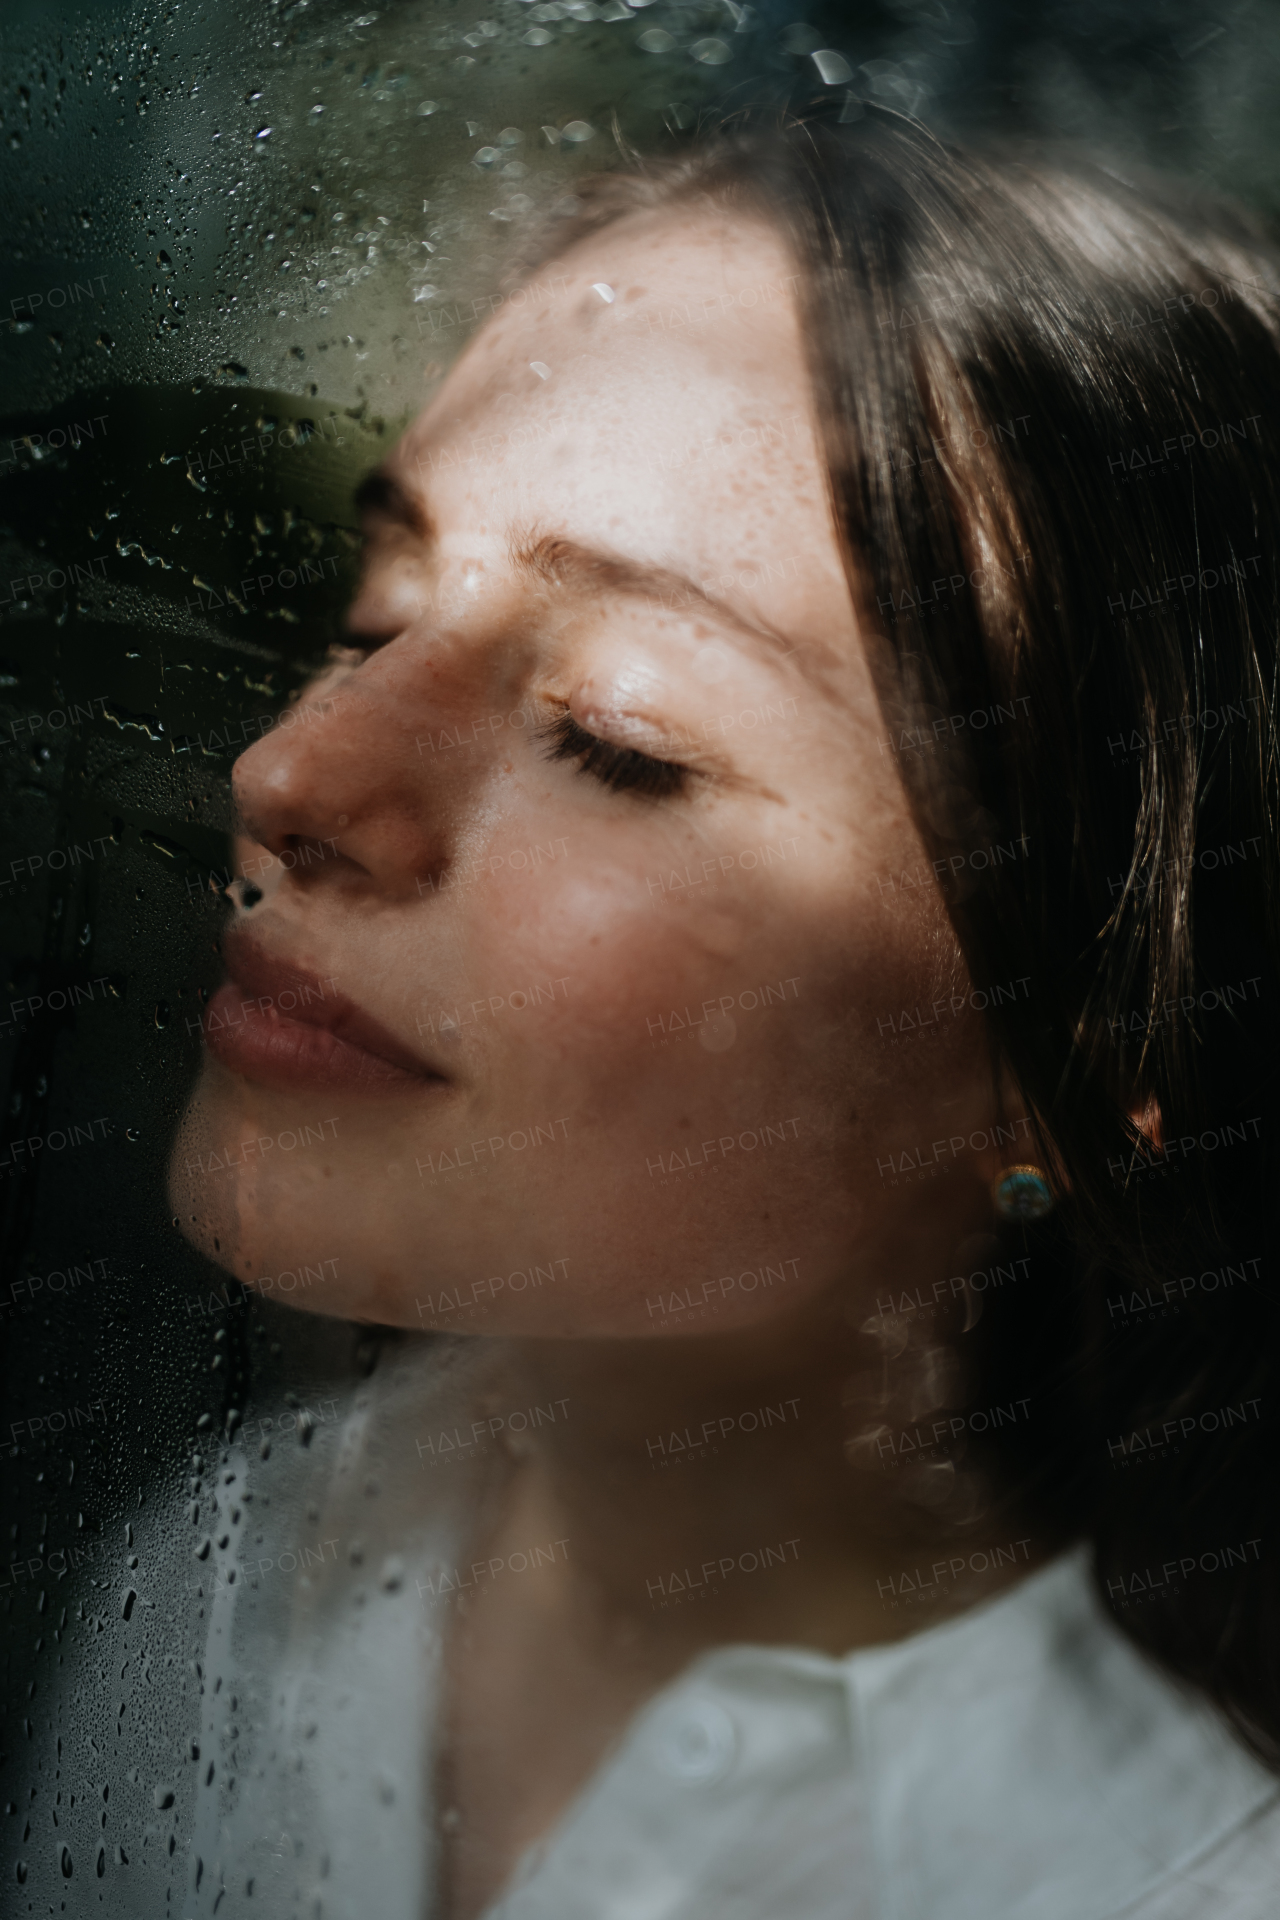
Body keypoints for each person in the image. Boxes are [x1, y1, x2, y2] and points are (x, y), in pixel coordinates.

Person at [169, 102, 1279, 1919]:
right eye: (376, 618)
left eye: (616, 738)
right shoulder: (246, 1559)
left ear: (1078, 1058)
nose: (288, 764)